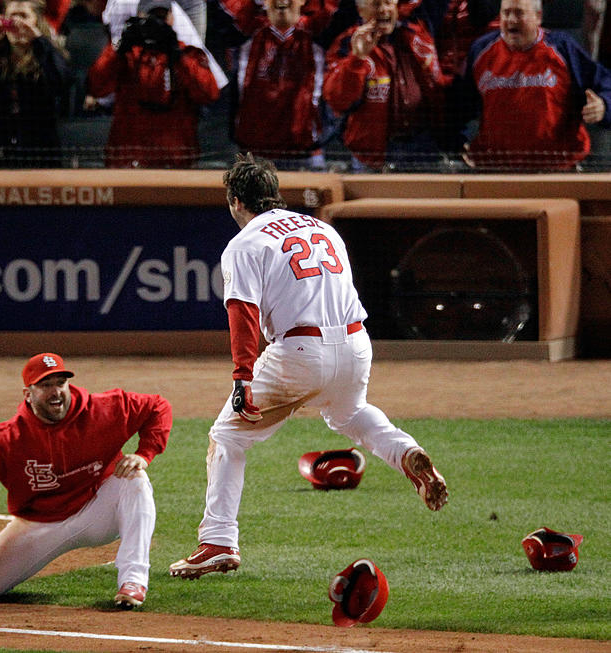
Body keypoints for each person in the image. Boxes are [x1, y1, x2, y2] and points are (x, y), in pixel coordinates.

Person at [168, 154, 448, 580]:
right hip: (355, 343)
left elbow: (242, 313)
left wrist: (243, 376)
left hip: (299, 352)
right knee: (350, 412)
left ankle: (218, 541)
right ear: (275, 193)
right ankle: (404, 451)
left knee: (227, 436)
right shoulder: (324, 229)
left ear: (236, 201)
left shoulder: (245, 243)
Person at [0, 352, 171, 607]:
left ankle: (133, 581)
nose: (56, 391)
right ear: (28, 393)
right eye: (45, 385)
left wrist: (144, 454)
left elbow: (158, 407)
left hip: (99, 510)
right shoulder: (7, 441)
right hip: (41, 523)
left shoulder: (103, 409)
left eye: (60, 382)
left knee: (134, 477)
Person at [456, 0, 611, 170]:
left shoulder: (563, 48)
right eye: (506, 13)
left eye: (519, 13)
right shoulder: (481, 50)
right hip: (496, 169)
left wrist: (603, 105)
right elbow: (460, 104)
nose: (512, 20)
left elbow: (605, 83)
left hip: (557, 169)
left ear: (538, 17)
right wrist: (457, 141)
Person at [86, 0, 220, 167]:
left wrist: (178, 55)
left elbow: (209, 94)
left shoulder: (187, 55)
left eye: (162, 17)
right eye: (151, 17)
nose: (157, 23)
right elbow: (96, 87)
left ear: (172, 19)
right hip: (129, 160)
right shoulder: (127, 55)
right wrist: (119, 48)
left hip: (174, 162)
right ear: (140, 18)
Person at [323, 0, 452, 171]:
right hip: (372, 156)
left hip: (422, 147)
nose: (383, 9)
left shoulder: (417, 33)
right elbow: (338, 100)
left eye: (389, 3)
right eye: (376, 4)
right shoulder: (348, 43)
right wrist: (357, 59)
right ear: (360, 10)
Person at [0, 0, 70, 167]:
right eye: (11, 17)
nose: (17, 23)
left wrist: (38, 40)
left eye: (23, 16)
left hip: (39, 151)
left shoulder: (48, 53)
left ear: (36, 21)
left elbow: (62, 82)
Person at [230, 0, 337, 168]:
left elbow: (338, 7)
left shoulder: (317, 29)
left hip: (306, 151)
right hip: (253, 153)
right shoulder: (248, 28)